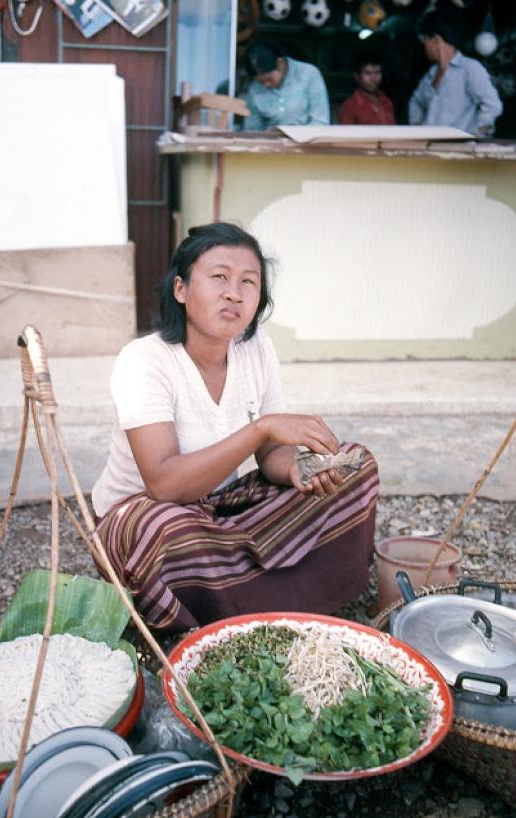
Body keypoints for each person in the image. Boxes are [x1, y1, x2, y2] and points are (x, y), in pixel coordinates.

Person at [91, 222, 379, 631]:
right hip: (144, 519)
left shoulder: (256, 348)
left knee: (354, 466)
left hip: (217, 507)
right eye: (219, 277)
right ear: (181, 290)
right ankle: (261, 600)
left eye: (249, 281)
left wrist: (298, 470)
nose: (234, 293)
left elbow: (272, 454)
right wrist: (261, 428)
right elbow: (164, 484)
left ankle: (246, 601)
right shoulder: (145, 361)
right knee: (170, 532)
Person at [408, 9, 502, 137]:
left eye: (425, 40)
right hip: (429, 150)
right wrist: (417, 127)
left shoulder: (470, 68)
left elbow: (493, 106)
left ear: (436, 39)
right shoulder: (430, 75)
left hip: (459, 152)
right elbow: (415, 101)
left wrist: (472, 135)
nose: (425, 47)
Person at [242, 41, 330, 131]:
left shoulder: (309, 75)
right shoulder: (254, 89)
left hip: (306, 141)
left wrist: (296, 135)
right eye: (260, 82)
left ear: (280, 63)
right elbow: (252, 130)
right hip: (271, 143)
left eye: (269, 79)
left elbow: (320, 122)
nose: (266, 84)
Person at [337, 51, 396, 125]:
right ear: (357, 77)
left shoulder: (387, 103)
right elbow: (347, 135)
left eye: (377, 72)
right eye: (367, 73)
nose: (373, 78)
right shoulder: (349, 107)